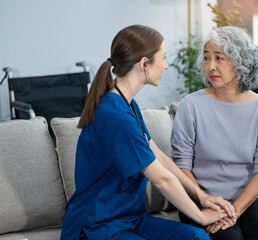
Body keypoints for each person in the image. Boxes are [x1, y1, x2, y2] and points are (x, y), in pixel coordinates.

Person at [60, 25, 237, 240]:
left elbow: (159, 157)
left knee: (196, 237)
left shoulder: (128, 105)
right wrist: (201, 216)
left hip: (129, 219)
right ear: (144, 63)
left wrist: (202, 196)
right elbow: (162, 179)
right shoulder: (115, 115)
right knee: (199, 228)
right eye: (163, 58)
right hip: (96, 226)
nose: (166, 66)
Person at [171, 26, 258, 240]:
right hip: (201, 200)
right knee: (229, 238)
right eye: (206, 58)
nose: (211, 66)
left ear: (241, 61)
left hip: (249, 200)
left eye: (219, 58)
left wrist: (233, 212)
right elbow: (181, 165)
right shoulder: (191, 105)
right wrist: (205, 200)